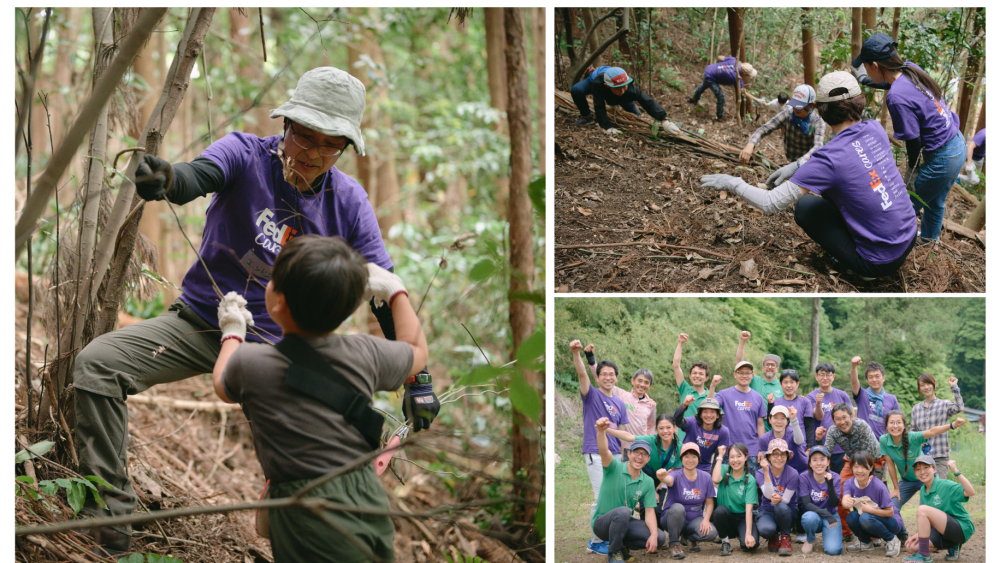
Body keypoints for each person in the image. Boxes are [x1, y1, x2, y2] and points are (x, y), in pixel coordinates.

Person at [71, 67, 441, 555]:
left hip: (287, 356)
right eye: (302, 136)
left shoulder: (349, 202)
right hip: (203, 320)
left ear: (346, 148)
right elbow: (196, 178)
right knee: (98, 366)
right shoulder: (245, 153)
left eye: (328, 145)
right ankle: (112, 524)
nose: (310, 153)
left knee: (316, 475)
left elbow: (385, 288)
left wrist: (420, 382)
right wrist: (167, 178)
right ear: (285, 125)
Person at [211, 235, 427, 562]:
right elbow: (417, 351)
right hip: (366, 498)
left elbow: (221, 384)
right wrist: (396, 292)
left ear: (278, 301)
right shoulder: (366, 353)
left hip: (304, 510)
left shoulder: (251, 363)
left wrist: (232, 332)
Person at [701, 71, 918, 280]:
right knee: (842, 187)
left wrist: (733, 183)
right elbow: (848, 160)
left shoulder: (829, 159)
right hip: (908, 236)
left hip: (878, 262)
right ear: (859, 101)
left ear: (820, 110)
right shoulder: (875, 128)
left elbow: (770, 203)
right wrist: (797, 167)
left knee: (805, 207)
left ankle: (861, 270)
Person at [855, 33, 967, 245]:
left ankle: (884, 249)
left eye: (866, 66)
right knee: (935, 203)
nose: (866, 69)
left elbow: (913, 139)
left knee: (903, 206)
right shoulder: (910, 68)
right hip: (957, 144)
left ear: (876, 65)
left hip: (944, 158)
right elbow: (894, 85)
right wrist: (865, 80)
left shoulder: (896, 99)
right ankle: (928, 243)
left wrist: (912, 171)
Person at [571, 340, 630, 554]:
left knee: (615, 497)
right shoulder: (591, 395)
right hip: (595, 453)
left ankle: (612, 537)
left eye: (611, 374)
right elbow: (581, 375)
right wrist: (576, 353)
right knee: (601, 496)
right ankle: (596, 541)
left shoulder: (620, 403)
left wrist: (626, 457)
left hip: (616, 456)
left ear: (616, 377)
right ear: (599, 376)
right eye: (604, 374)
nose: (608, 377)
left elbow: (624, 432)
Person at [881, 411, 966, 540]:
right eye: (891, 422)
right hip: (907, 480)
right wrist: (896, 488)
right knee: (891, 507)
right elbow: (890, 465)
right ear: (886, 425)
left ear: (904, 425)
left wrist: (953, 425)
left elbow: (932, 431)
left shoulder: (913, 437)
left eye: (899, 422)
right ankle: (902, 534)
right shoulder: (884, 440)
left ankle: (942, 539)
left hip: (926, 479)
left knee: (929, 510)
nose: (895, 426)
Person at [591, 417, 666, 563]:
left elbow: (650, 511)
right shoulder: (613, 467)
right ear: (629, 454)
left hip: (624, 523)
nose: (639, 457)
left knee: (660, 537)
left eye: (644, 454)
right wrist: (601, 431)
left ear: (648, 459)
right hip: (602, 523)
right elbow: (603, 450)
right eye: (636, 452)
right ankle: (614, 552)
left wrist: (654, 535)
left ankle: (623, 546)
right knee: (624, 511)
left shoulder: (648, 481)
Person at [823, 403, 881, 544]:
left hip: (873, 461)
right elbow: (826, 452)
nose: (842, 422)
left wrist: (860, 477)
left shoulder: (861, 426)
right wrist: (821, 467)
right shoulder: (833, 431)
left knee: (870, 495)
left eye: (844, 417)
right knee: (840, 491)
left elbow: (871, 454)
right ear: (833, 421)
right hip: (851, 462)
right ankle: (846, 531)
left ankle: (874, 534)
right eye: (838, 419)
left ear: (852, 416)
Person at [585, 344, 657, 455]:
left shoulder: (651, 405)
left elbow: (651, 425)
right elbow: (601, 378)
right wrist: (591, 358)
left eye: (646, 382)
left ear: (650, 386)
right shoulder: (621, 395)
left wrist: (649, 443)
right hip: (623, 447)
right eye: (640, 381)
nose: (642, 385)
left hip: (641, 448)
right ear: (633, 381)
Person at [739, 85, 827, 173]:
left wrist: (797, 164)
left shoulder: (818, 122)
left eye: (799, 106)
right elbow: (765, 128)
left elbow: (818, 147)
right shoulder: (787, 114)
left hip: (808, 163)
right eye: (794, 104)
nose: (795, 108)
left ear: (810, 105)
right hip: (791, 159)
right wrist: (750, 144)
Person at [903, 456, 975, 562]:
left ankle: (924, 556)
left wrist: (956, 471)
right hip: (942, 530)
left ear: (934, 469)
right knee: (911, 547)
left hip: (961, 528)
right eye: (918, 469)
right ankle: (952, 545)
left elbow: (970, 492)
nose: (922, 472)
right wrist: (919, 534)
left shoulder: (945, 485)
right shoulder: (923, 490)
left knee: (922, 509)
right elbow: (930, 518)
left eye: (926, 467)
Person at [571, 66, 680, 135]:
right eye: (619, 88)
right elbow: (599, 105)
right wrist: (607, 127)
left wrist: (664, 119)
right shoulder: (598, 84)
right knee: (576, 90)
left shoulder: (629, 88)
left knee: (634, 115)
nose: (623, 91)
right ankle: (586, 116)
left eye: (625, 86)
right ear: (607, 86)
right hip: (596, 80)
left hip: (617, 94)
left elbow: (647, 101)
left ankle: (636, 115)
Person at [657, 443, 719, 559]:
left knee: (712, 533)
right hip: (672, 518)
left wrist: (706, 519)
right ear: (681, 459)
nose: (690, 460)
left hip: (694, 519)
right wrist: (661, 476)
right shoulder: (676, 474)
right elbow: (668, 480)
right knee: (678, 508)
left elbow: (709, 502)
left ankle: (689, 537)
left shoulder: (706, 477)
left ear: (698, 459)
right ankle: (674, 544)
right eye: (686, 456)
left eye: (694, 456)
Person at [841, 452, 904, 556]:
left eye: (863, 467)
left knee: (865, 517)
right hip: (870, 520)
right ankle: (865, 542)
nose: (859, 470)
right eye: (856, 466)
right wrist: (846, 503)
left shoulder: (878, 486)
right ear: (851, 468)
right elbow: (845, 499)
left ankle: (892, 540)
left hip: (892, 523)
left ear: (870, 468)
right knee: (851, 516)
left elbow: (890, 512)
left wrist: (870, 510)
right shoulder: (849, 483)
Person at [716, 361, 768, 477]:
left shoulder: (758, 398)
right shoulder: (724, 394)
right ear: (735, 374)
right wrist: (712, 386)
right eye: (741, 373)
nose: (744, 375)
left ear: (752, 375)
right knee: (726, 484)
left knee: (751, 484)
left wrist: (762, 449)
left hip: (752, 450)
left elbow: (760, 425)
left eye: (748, 373)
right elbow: (710, 405)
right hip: (728, 449)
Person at [909, 374, 965, 479]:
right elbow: (913, 432)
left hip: (940, 455)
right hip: (923, 457)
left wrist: (954, 387)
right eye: (922, 385)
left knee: (939, 489)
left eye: (928, 384)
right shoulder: (916, 409)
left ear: (934, 385)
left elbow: (959, 408)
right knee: (927, 490)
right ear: (919, 389)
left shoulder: (944, 404)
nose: (926, 387)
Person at [629, 414, 683, 523]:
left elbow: (671, 471)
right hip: (645, 477)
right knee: (645, 508)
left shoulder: (679, 447)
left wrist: (657, 490)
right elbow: (629, 437)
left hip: (662, 480)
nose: (665, 431)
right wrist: (606, 430)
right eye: (661, 428)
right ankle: (644, 533)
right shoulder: (650, 439)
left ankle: (657, 533)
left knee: (657, 509)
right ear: (656, 429)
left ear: (675, 428)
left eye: (668, 427)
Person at [711, 443, 759, 555]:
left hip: (742, 517)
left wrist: (748, 533)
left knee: (751, 546)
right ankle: (725, 542)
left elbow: (749, 510)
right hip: (726, 517)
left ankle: (741, 534)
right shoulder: (723, 469)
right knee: (719, 511)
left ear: (746, 457)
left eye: (739, 456)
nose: (735, 460)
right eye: (732, 457)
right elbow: (715, 478)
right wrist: (720, 456)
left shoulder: (750, 480)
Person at [756, 439, 800, 556]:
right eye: (775, 454)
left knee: (780, 506)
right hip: (768, 510)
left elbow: (786, 499)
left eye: (782, 454)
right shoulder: (760, 473)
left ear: (787, 456)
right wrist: (766, 471)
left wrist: (780, 499)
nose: (779, 458)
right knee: (766, 530)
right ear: (769, 457)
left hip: (787, 511)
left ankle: (785, 537)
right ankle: (774, 535)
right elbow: (767, 495)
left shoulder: (793, 473)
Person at [807, 362, 852, 474]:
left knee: (838, 479)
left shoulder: (842, 395)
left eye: (829, 374)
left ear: (833, 377)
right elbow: (818, 416)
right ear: (816, 376)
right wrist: (818, 403)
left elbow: (851, 417)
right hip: (820, 445)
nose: (825, 378)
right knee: (820, 477)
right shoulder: (811, 397)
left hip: (840, 446)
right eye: (822, 374)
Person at [797, 446, 843, 555]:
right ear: (810, 463)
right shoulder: (804, 477)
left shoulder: (835, 477)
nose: (818, 463)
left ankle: (828, 533)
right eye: (814, 460)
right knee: (808, 517)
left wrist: (830, 483)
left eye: (822, 459)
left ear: (828, 462)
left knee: (833, 550)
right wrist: (827, 515)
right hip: (814, 515)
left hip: (831, 513)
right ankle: (810, 539)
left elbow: (834, 503)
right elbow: (807, 504)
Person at [733, 331, 782, 431]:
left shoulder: (783, 385)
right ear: (762, 368)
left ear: (777, 369)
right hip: (752, 427)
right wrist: (742, 341)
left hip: (774, 429)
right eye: (767, 364)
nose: (769, 367)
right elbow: (740, 364)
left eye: (773, 365)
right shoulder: (754, 380)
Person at [688, 55, 757, 120]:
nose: (748, 76)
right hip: (710, 78)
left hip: (709, 69)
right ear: (744, 74)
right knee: (721, 97)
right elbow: (743, 91)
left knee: (704, 85)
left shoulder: (734, 61)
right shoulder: (737, 78)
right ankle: (720, 116)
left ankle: (694, 98)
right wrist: (757, 100)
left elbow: (720, 57)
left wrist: (721, 68)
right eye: (748, 75)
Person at [673, 396, 730, 472]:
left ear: (717, 415)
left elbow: (719, 456)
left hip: (704, 467)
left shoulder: (723, 431)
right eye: (705, 411)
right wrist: (684, 405)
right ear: (700, 414)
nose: (708, 415)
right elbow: (677, 421)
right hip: (683, 464)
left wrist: (713, 477)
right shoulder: (693, 423)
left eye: (712, 412)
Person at [850, 357, 900, 442]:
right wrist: (853, 367)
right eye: (871, 377)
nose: (874, 380)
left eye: (877, 376)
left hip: (884, 446)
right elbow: (854, 382)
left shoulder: (892, 399)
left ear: (883, 378)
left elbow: (898, 421)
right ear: (867, 379)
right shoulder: (862, 395)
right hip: (863, 445)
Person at [770, 369, 815, 449]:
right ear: (781, 384)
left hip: (801, 447)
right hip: (779, 448)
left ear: (797, 384)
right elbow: (771, 425)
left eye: (792, 382)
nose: (789, 385)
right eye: (785, 382)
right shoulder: (775, 402)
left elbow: (809, 427)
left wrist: (809, 448)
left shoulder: (805, 402)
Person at [672, 334, 713, 417]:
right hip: (684, 430)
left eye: (701, 374)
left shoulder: (712, 395)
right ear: (690, 376)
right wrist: (680, 343)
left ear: (706, 378)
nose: (697, 376)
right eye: (694, 373)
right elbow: (676, 366)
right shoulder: (685, 389)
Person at [758, 406, 807, 474]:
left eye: (783, 418)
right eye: (775, 418)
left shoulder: (792, 433)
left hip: (801, 470)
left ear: (787, 421)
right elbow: (766, 461)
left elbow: (799, 441)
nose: (779, 422)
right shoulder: (764, 438)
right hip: (781, 474)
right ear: (769, 419)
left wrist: (794, 419)